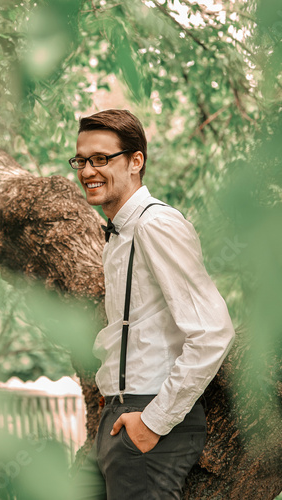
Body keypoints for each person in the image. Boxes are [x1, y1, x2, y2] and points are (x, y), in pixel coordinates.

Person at [69, 109, 235, 500]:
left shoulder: (155, 224)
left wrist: (154, 421)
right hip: (120, 415)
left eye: (101, 158)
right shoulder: (120, 233)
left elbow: (213, 332)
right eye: (81, 160)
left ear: (136, 161)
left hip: (149, 416)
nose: (87, 170)